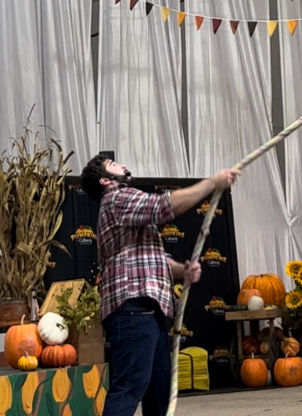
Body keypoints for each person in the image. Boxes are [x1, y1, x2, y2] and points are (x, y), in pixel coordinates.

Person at [80, 154, 240, 416]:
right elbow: (162, 206)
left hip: (145, 312)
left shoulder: (122, 206)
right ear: (105, 180)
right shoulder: (118, 197)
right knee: (129, 387)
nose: (122, 165)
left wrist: (182, 271)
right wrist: (212, 183)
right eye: (113, 165)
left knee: (158, 393)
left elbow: (152, 260)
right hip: (132, 311)